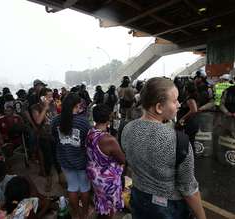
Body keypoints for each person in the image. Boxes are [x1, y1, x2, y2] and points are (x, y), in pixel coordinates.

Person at [121, 77, 206, 219]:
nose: (179, 105)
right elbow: (189, 189)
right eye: (174, 101)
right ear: (159, 107)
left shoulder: (126, 128)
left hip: (138, 199)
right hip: (168, 209)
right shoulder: (179, 141)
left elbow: (129, 162)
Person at [51, 92, 91, 219]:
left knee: (72, 186)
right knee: (84, 187)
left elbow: (55, 138)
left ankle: (76, 213)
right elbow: (88, 143)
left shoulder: (55, 120)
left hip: (64, 160)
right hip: (81, 161)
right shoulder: (83, 122)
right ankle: (84, 214)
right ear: (77, 105)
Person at [86, 104, 125, 219]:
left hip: (95, 176)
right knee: (110, 206)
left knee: (102, 201)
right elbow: (122, 159)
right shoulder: (108, 139)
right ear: (109, 118)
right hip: (107, 179)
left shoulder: (90, 133)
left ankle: (101, 215)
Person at [31, 88, 58, 192]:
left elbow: (55, 118)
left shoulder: (53, 105)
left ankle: (60, 177)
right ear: (42, 97)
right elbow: (38, 121)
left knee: (56, 157)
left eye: (51, 96)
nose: (51, 98)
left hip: (54, 135)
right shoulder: (35, 107)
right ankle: (49, 180)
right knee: (48, 159)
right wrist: (45, 108)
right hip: (44, 136)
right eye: (48, 96)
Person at [177, 83, 199, 152]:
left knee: (190, 141)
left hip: (190, 123)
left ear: (186, 90)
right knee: (190, 141)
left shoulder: (190, 99)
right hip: (191, 122)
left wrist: (182, 118)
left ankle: (190, 157)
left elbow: (194, 110)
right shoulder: (189, 98)